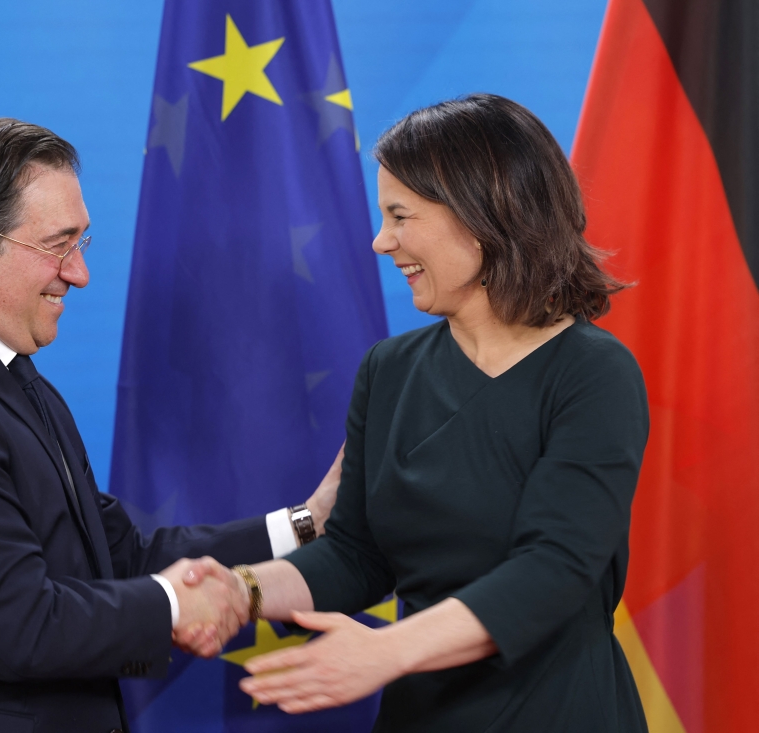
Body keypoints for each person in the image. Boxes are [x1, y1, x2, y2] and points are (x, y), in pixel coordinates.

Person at [0, 117, 339, 733]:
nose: (79, 272)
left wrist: (308, 522)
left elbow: (117, 557)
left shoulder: (4, 374)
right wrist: (177, 603)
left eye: (81, 242)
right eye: (57, 245)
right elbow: (17, 625)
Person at [228, 95, 650, 731]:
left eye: (400, 215)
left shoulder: (592, 373)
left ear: (482, 214)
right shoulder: (388, 370)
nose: (380, 241)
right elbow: (356, 555)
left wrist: (386, 651)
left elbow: (554, 569)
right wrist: (240, 591)